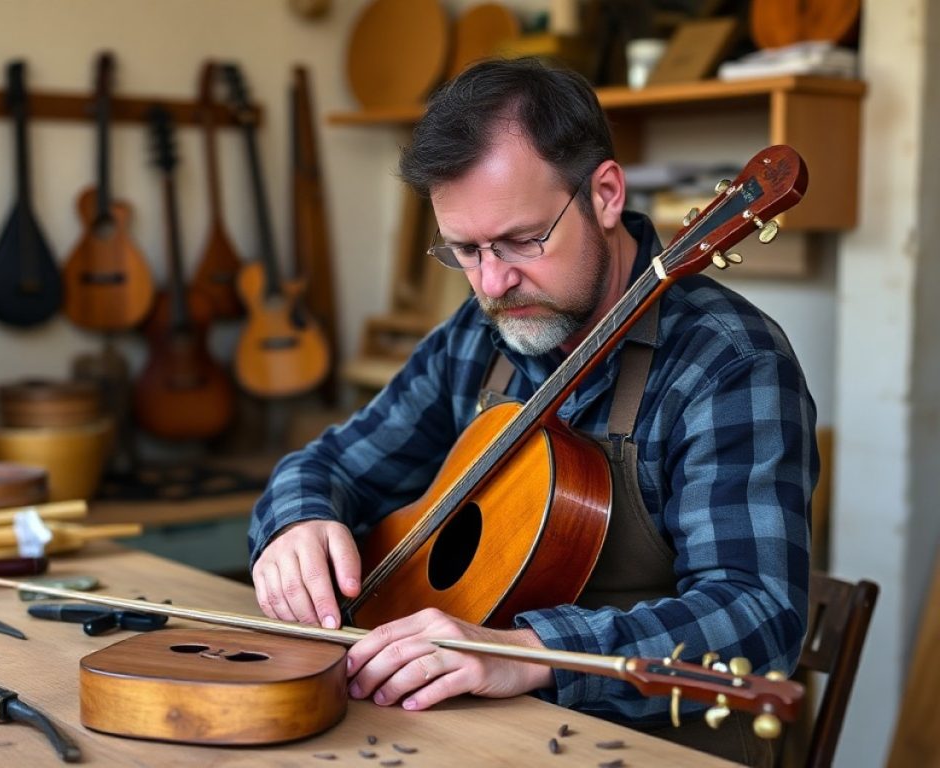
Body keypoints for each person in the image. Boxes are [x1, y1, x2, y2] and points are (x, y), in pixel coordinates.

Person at [249, 57, 817, 766]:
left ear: (605, 194)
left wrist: (532, 651)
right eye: (465, 250)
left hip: (652, 747)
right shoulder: (478, 333)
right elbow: (332, 463)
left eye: (522, 240)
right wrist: (299, 520)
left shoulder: (727, 363)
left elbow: (759, 619)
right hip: (465, 735)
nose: (493, 282)